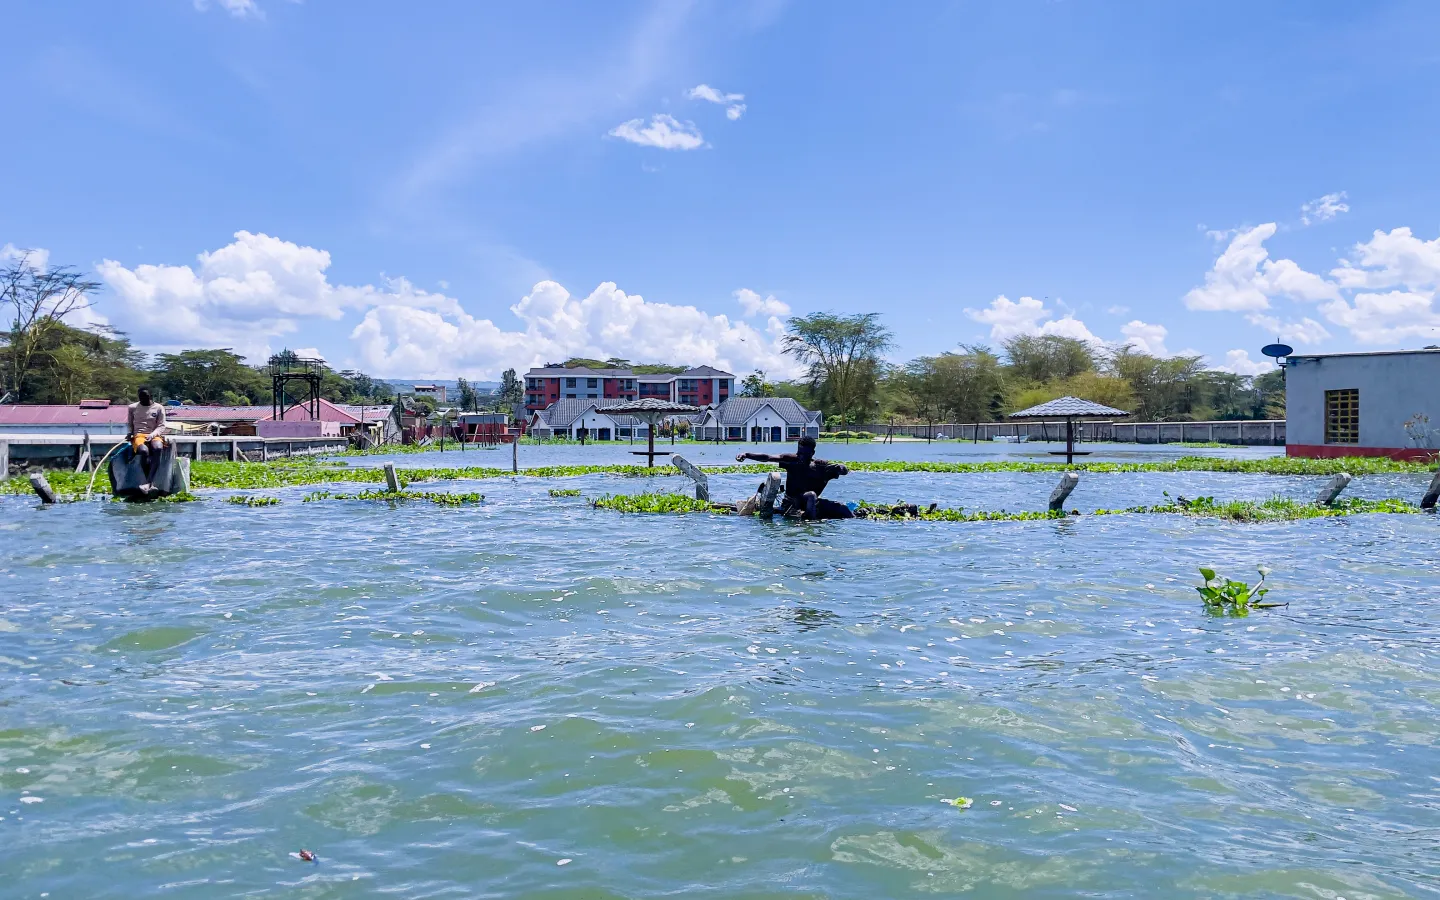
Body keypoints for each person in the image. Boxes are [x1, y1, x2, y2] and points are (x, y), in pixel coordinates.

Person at [736, 435, 853, 519]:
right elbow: (767, 457)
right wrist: (746, 455)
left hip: (812, 503)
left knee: (843, 509)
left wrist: (842, 468)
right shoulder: (791, 460)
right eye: (799, 453)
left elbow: (842, 470)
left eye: (805, 454)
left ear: (812, 453)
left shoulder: (821, 466)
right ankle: (809, 524)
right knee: (811, 495)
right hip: (792, 503)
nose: (801, 457)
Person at [127, 388, 169, 491]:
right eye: (140, 396)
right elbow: (130, 424)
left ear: (150, 396)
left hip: (154, 434)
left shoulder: (159, 408)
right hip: (139, 435)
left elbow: (161, 425)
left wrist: (153, 434)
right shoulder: (132, 407)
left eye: (145, 396)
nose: (142, 399)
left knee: (158, 448)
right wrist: (130, 433)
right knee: (143, 451)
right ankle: (147, 479)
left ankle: (150, 481)